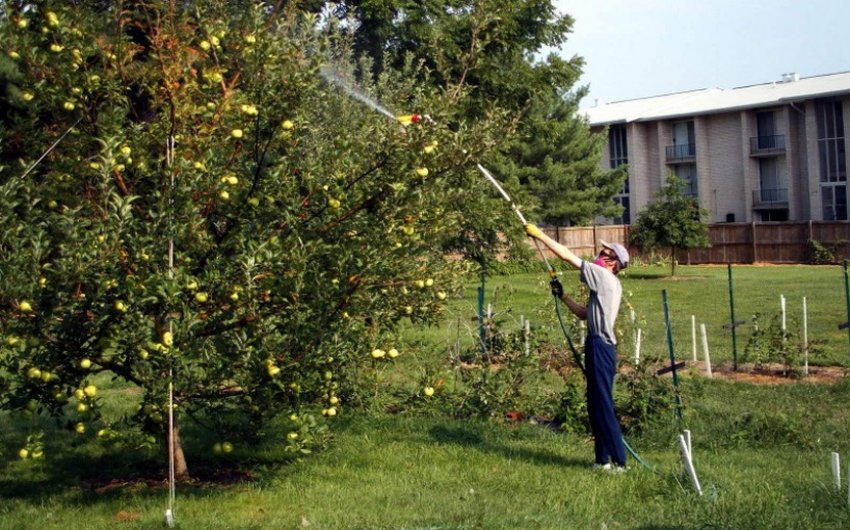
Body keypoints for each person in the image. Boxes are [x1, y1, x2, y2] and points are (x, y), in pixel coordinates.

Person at [525, 224, 630, 471]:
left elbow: (566, 256)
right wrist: (564, 297)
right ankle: (602, 460)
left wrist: (539, 235)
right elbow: (585, 314)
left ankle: (620, 462)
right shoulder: (604, 285)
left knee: (602, 404)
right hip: (597, 345)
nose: (601, 253)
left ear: (614, 263)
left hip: (601, 347)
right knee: (595, 404)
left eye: (607, 253)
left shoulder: (605, 277)